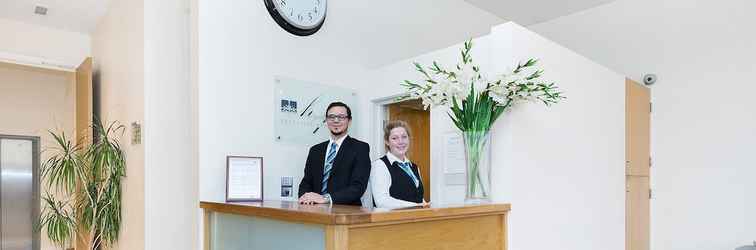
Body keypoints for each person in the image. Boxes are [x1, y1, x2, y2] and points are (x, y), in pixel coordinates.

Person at [298, 102, 371, 205]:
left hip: (346, 213)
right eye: (331, 117)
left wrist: (326, 198)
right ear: (326, 120)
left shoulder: (360, 148)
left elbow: (358, 187)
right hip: (314, 211)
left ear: (349, 121)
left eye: (341, 117)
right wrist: (305, 198)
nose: (336, 120)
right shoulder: (315, 150)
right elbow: (306, 183)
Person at [370, 120, 428, 208]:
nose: (401, 141)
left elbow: (418, 197)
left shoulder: (414, 167)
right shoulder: (380, 165)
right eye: (394, 138)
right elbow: (381, 201)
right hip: (392, 220)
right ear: (387, 142)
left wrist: (425, 205)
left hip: (414, 218)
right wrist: (416, 206)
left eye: (404, 137)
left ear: (409, 139)